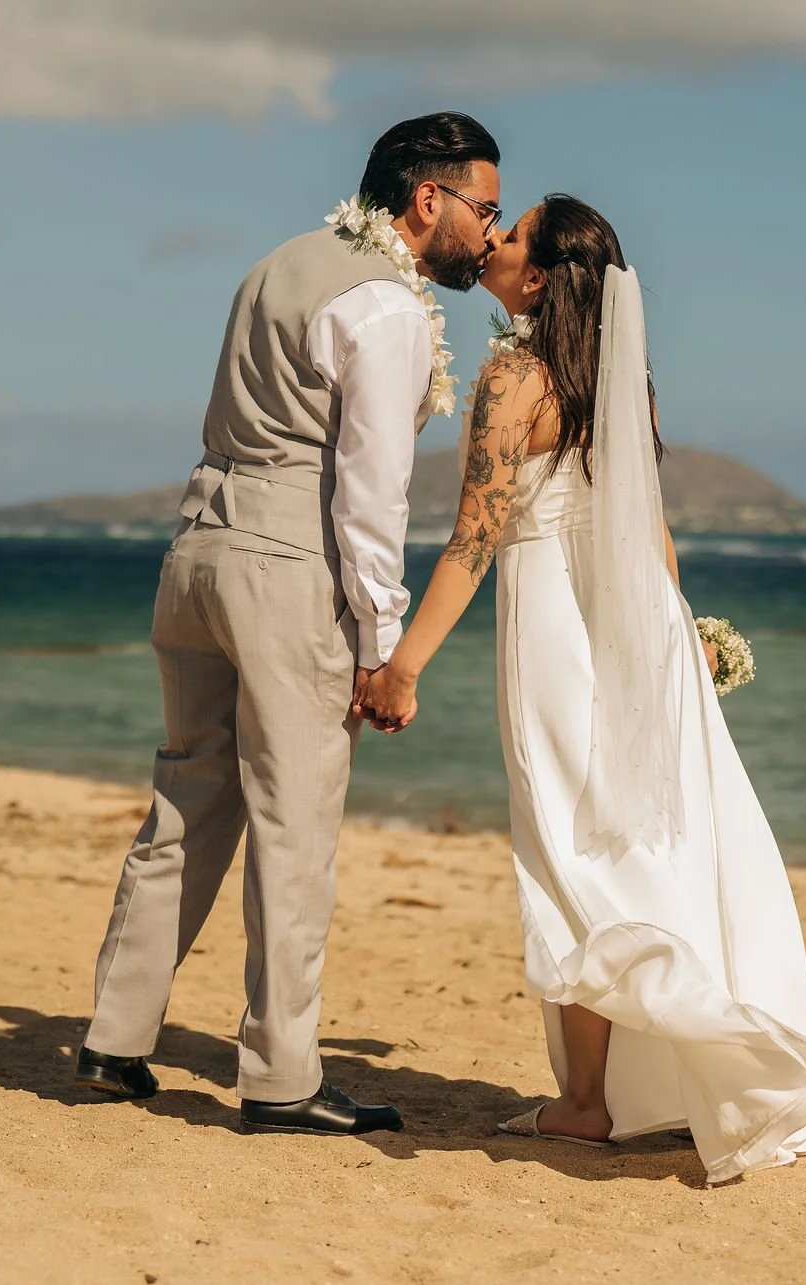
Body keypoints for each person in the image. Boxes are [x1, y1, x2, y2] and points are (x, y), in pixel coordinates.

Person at [362, 196, 806, 1183]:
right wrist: (680, 630)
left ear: (534, 279)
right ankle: (652, 1081)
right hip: (637, 626)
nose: (489, 237)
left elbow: (474, 539)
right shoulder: (622, 380)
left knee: (568, 846)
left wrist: (402, 664)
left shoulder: (509, 377)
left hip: (551, 625)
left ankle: (588, 1102)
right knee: (641, 835)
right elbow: (646, 529)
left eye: (510, 231)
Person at [74, 112, 502, 1136]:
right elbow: (371, 496)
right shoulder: (387, 309)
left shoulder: (278, 263)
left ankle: (114, 1035)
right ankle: (280, 1079)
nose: (488, 234)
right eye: (482, 209)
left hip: (195, 550)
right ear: (424, 197)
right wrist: (379, 643)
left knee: (186, 798)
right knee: (294, 824)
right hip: (282, 564)